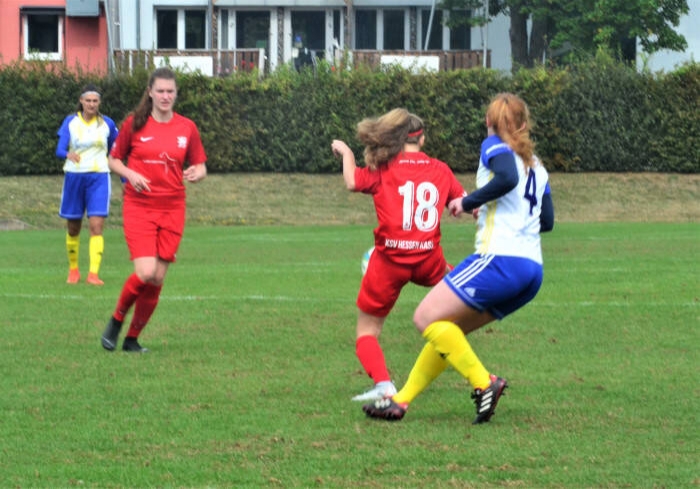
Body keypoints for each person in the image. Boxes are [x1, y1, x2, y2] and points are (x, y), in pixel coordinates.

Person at [362, 93, 555, 424]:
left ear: (488, 122)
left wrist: (467, 203)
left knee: (424, 317)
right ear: (524, 124)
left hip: (499, 260)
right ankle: (401, 401)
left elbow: (507, 177)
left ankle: (485, 383)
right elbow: (547, 221)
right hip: (532, 270)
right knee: (447, 330)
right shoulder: (537, 166)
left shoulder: (493, 144)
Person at [331, 108, 466, 402]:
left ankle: (384, 384)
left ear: (395, 139)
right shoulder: (441, 169)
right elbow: (463, 203)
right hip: (428, 259)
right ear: (422, 139)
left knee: (367, 332)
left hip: (389, 263)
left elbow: (352, 181)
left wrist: (346, 153)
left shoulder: (384, 169)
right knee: (456, 281)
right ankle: (475, 292)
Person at [101, 67, 207, 353]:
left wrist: (197, 173)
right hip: (140, 206)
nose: (165, 96)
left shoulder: (187, 128)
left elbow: (200, 165)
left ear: (176, 94)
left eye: (170, 91)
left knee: (158, 277)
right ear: (150, 92)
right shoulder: (134, 124)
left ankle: (132, 339)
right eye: (160, 91)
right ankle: (116, 320)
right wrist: (130, 174)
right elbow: (113, 160)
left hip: (173, 207)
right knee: (146, 271)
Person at [56, 83, 119, 285]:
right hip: (74, 177)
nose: (92, 104)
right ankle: (73, 270)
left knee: (96, 225)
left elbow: (116, 151)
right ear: (81, 101)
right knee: (73, 228)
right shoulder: (71, 122)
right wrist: (67, 154)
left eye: (95, 101)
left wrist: (124, 176)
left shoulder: (107, 124)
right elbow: (59, 149)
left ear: (99, 102)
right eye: (88, 100)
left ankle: (93, 274)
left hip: (99, 177)